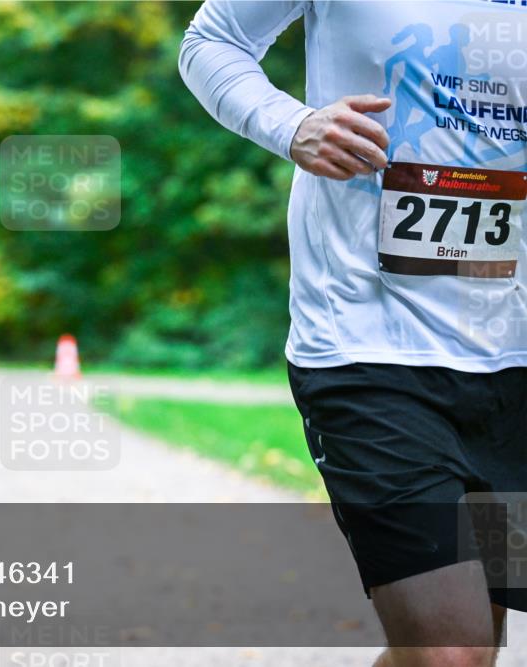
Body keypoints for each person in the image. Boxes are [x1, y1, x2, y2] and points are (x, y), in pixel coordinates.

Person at [180, 2, 525, 666]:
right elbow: (213, 40)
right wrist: (295, 124)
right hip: (367, 343)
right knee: (450, 653)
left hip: (513, 357)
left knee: (469, 646)